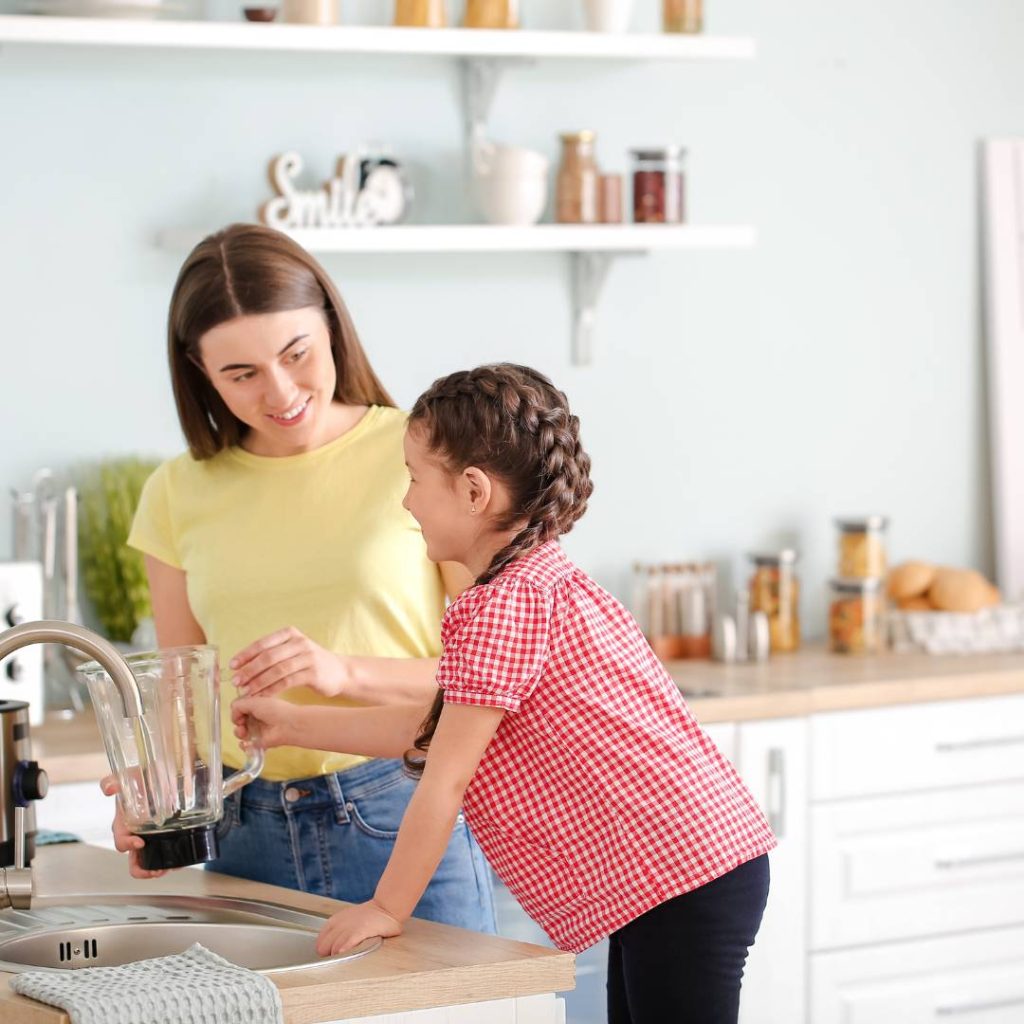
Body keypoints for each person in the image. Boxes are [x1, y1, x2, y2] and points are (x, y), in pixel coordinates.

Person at [232, 363, 777, 1024]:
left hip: (686, 875)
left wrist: (386, 907)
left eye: (412, 478)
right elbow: (433, 731)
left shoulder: (500, 608)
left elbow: (445, 779)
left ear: (472, 491)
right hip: (683, 871)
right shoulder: (535, 582)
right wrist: (291, 725)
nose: (405, 501)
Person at [105, 223, 495, 934]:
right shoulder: (175, 491)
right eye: (240, 374)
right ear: (198, 372)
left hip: (400, 812)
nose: (279, 392)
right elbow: (180, 704)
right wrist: (152, 798)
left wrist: (342, 671)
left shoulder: (421, 453)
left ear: (332, 328)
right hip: (243, 830)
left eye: (296, 354)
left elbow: (492, 678)